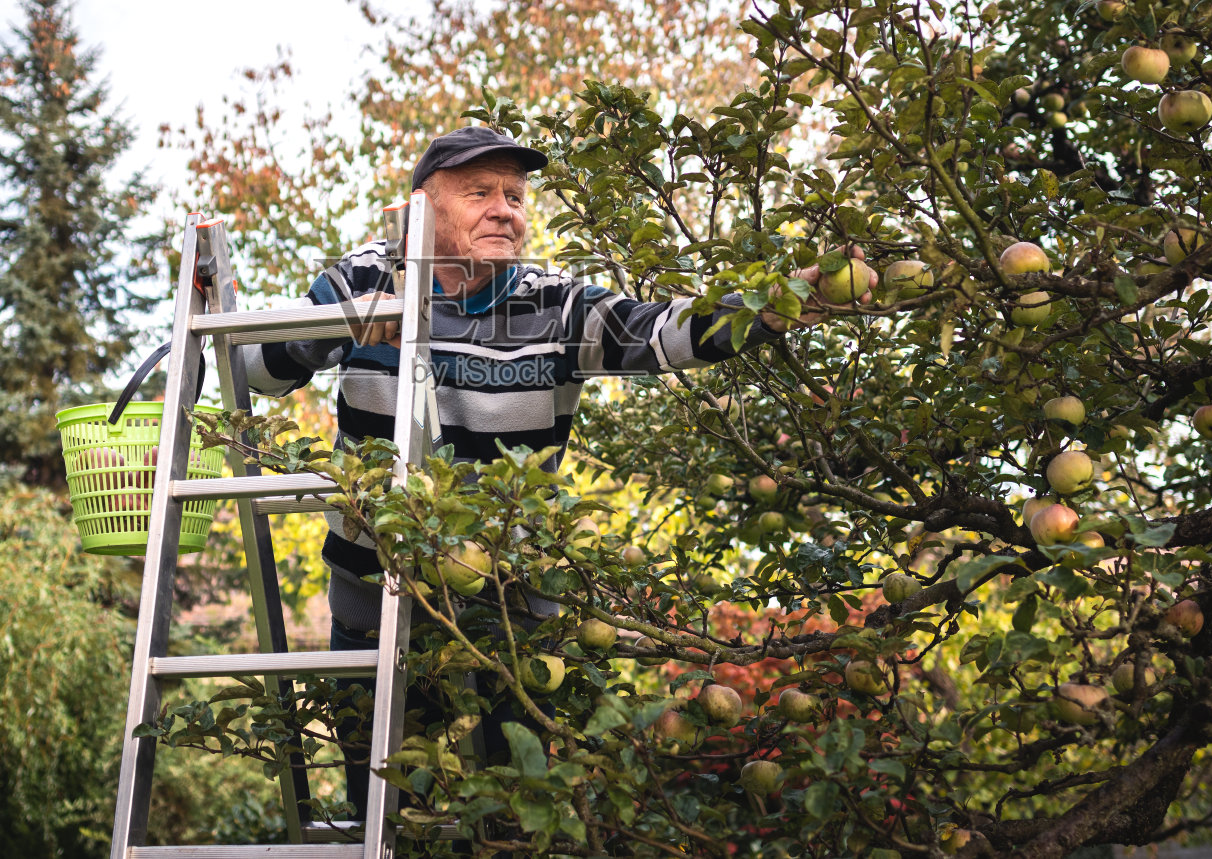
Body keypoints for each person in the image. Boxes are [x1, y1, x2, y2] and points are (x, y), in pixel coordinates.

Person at [240, 125, 862, 814]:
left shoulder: (555, 303)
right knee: (381, 798)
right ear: (422, 205)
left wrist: (774, 301)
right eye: (480, 192)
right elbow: (256, 367)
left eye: (514, 193)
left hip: (512, 598)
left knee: (511, 797)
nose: (504, 208)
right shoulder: (365, 278)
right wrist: (348, 322)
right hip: (378, 591)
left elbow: (663, 332)